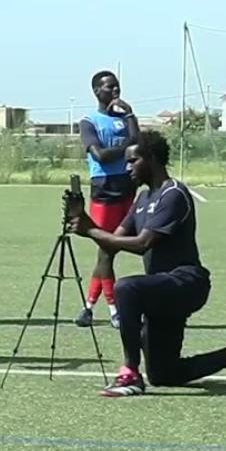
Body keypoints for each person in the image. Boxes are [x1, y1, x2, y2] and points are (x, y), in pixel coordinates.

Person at [67, 131, 226, 396]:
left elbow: (143, 243)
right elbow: (113, 242)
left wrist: (91, 231)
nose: (127, 167)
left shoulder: (173, 194)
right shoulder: (142, 199)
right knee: (164, 374)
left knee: (127, 289)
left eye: (133, 161)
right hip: (160, 291)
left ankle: (130, 372)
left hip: (187, 283)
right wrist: (85, 221)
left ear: (151, 159)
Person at [76, 71, 138, 330]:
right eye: (109, 87)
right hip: (104, 189)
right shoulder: (89, 122)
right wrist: (126, 150)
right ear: (96, 91)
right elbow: (100, 155)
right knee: (106, 250)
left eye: (117, 86)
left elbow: (139, 142)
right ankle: (114, 310)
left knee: (109, 251)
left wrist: (131, 114)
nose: (115, 91)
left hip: (127, 187)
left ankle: (88, 308)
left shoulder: (124, 119)